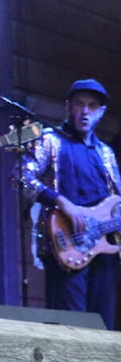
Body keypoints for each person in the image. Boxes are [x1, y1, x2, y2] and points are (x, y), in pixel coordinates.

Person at [14, 78, 120, 330]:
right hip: (65, 246)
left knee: (103, 328)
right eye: (79, 104)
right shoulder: (50, 140)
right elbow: (20, 177)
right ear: (68, 107)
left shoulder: (105, 152)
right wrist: (63, 204)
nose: (85, 111)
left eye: (92, 106)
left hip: (103, 252)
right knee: (71, 327)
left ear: (101, 112)